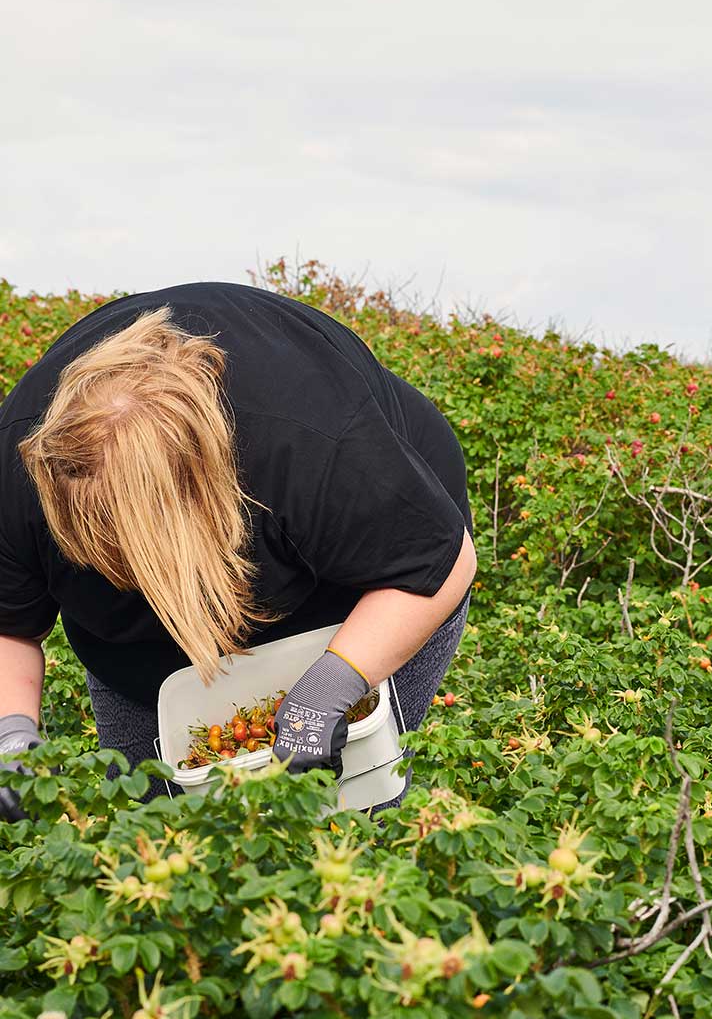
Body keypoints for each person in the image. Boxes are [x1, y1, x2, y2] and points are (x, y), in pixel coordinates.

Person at [0, 281, 476, 820]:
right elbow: (8, 622)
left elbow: (436, 566)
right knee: (154, 826)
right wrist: (11, 731)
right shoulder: (24, 462)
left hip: (348, 604)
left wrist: (334, 683)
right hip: (140, 657)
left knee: (345, 815)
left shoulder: (311, 440)